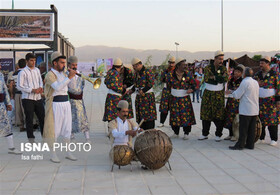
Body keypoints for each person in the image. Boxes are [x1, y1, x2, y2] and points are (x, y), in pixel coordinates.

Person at [43, 51, 77, 163]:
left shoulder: (64, 74)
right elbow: (57, 87)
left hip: (66, 103)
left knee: (67, 128)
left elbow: (71, 88)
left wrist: (73, 77)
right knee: (55, 130)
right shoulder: (49, 75)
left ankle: (68, 152)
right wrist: (69, 78)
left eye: (64, 63)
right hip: (55, 104)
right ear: (55, 63)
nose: (64, 65)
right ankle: (53, 154)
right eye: (62, 63)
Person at [199, 51, 228, 141]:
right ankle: (205, 134)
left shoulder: (223, 68)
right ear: (215, 58)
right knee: (206, 114)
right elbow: (207, 79)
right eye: (219, 59)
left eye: (222, 59)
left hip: (219, 94)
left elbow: (225, 78)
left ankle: (218, 134)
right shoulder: (208, 68)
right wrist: (219, 78)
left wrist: (214, 77)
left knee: (219, 115)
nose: (221, 61)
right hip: (208, 94)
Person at [227, 68, 259, 150]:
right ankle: (250, 144)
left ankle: (240, 145)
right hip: (254, 109)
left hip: (246, 109)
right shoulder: (255, 82)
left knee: (243, 129)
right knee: (252, 129)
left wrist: (231, 92)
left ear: (244, 74)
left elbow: (237, 95)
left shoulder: (244, 82)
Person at [17, 53, 45, 143]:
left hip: (38, 98)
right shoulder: (22, 72)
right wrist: (32, 90)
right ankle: (31, 139)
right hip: (27, 99)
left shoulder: (37, 70)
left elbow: (40, 81)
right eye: (31, 60)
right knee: (29, 119)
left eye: (34, 61)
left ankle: (45, 137)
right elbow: (19, 86)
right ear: (26, 61)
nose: (33, 62)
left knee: (42, 118)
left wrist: (41, 88)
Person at [166, 57, 196, 139]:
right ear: (178, 66)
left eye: (185, 65)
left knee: (186, 116)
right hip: (174, 99)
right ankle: (176, 132)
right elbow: (168, 87)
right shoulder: (170, 75)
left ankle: (186, 133)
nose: (185, 66)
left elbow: (194, 84)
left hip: (184, 98)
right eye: (183, 65)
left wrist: (191, 89)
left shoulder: (188, 74)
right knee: (175, 115)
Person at [254, 56, 280, 146]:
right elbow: (253, 84)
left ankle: (274, 138)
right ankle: (261, 137)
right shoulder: (257, 74)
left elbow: (278, 87)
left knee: (272, 120)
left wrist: (278, 100)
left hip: (271, 100)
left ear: (268, 63)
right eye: (260, 63)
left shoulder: (274, 74)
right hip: (260, 100)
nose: (260, 65)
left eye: (262, 63)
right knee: (260, 119)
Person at [128, 57, 157, 130]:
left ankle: (150, 129)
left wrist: (143, 90)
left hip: (147, 96)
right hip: (139, 97)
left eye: (135, 66)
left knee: (148, 115)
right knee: (140, 114)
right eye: (133, 66)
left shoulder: (148, 71)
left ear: (139, 65)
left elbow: (151, 83)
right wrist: (131, 90)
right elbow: (136, 84)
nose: (134, 68)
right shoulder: (135, 74)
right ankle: (142, 128)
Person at [67, 56, 90, 142]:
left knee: (83, 119)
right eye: (73, 64)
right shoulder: (66, 74)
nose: (75, 66)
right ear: (69, 64)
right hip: (70, 100)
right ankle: (72, 137)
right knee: (70, 119)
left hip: (79, 101)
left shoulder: (80, 74)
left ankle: (87, 138)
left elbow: (82, 85)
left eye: (76, 65)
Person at [0, 63, 21, 154]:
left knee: (7, 125)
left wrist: (8, 103)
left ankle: (11, 148)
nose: (0, 67)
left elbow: (4, 89)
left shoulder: (0, 74)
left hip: (1, 106)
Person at [224, 65, 244, 141]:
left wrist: (231, 91)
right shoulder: (231, 79)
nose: (236, 73)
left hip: (237, 102)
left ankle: (236, 135)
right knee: (229, 118)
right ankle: (230, 134)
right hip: (230, 101)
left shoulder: (242, 81)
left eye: (238, 72)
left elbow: (239, 90)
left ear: (241, 73)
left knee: (236, 119)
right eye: (235, 71)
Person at [103, 58, 124, 122]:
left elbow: (105, 81)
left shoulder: (110, 71)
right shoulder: (116, 73)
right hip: (115, 97)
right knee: (115, 116)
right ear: (120, 66)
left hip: (110, 95)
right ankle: (113, 130)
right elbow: (114, 86)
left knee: (110, 114)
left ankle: (110, 130)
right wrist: (123, 90)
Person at [158, 56, 175, 127]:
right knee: (164, 108)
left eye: (172, 63)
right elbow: (161, 79)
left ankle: (174, 124)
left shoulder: (176, 71)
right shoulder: (165, 71)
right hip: (166, 91)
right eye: (170, 62)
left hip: (174, 90)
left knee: (174, 108)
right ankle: (162, 122)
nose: (171, 64)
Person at [11, 59, 26, 132]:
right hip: (25, 93)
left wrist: (12, 94)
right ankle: (29, 124)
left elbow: (12, 85)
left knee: (18, 110)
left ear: (18, 66)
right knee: (25, 109)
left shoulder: (14, 74)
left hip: (17, 93)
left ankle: (21, 126)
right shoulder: (26, 72)